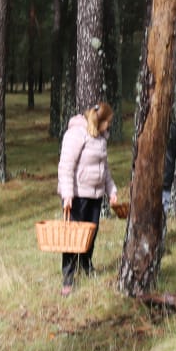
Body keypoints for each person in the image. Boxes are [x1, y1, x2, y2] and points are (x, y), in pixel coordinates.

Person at [57, 102, 118, 296]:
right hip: (77, 195)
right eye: (108, 122)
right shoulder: (76, 133)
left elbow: (104, 169)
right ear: (101, 120)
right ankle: (68, 277)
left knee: (91, 234)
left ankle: (86, 265)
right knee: (73, 237)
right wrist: (67, 194)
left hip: (95, 195)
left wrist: (112, 191)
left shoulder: (100, 138)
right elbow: (66, 166)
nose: (109, 126)